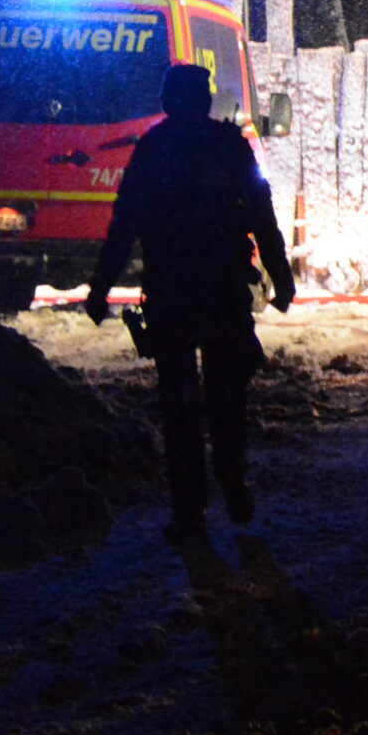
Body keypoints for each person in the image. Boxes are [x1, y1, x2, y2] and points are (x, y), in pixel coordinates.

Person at [86, 62, 295, 540]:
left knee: (179, 406)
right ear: (205, 101)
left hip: (172, 290)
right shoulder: (230, 147)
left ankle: (190, 511)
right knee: (226, 397)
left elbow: (125, 225)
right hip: (221, 289)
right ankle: (233, 482)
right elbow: (262, 216)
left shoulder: (154, 149)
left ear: (167, 100)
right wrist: (281, 278)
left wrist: (101, 287)